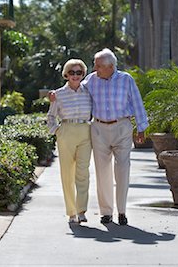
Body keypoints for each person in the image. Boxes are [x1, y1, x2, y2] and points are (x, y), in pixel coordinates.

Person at [49, 48, 148, 225]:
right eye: (95, 65)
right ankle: (106, 212)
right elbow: (74, 87)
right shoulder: (91, 81)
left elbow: (137, 102)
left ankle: (122, 211)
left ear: (110, 66)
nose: (94, 69)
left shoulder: (126, 80)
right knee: (102, 172)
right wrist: (55, 95)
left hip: (122, 127)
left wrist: (141, 128)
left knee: (123, 169)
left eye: (98, 66)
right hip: (99, 129)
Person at [47, 59, 92, 224]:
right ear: (66, 74)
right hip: (66, 132)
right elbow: (51, 116)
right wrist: (57, 131)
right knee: (67, 174)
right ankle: (71, 212)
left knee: (83, 173)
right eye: (72, 72)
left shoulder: (88, 92)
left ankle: (81, 210)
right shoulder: (58, 94)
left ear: (83, 74)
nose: (75, 75)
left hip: (85, 132)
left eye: (79, 72)